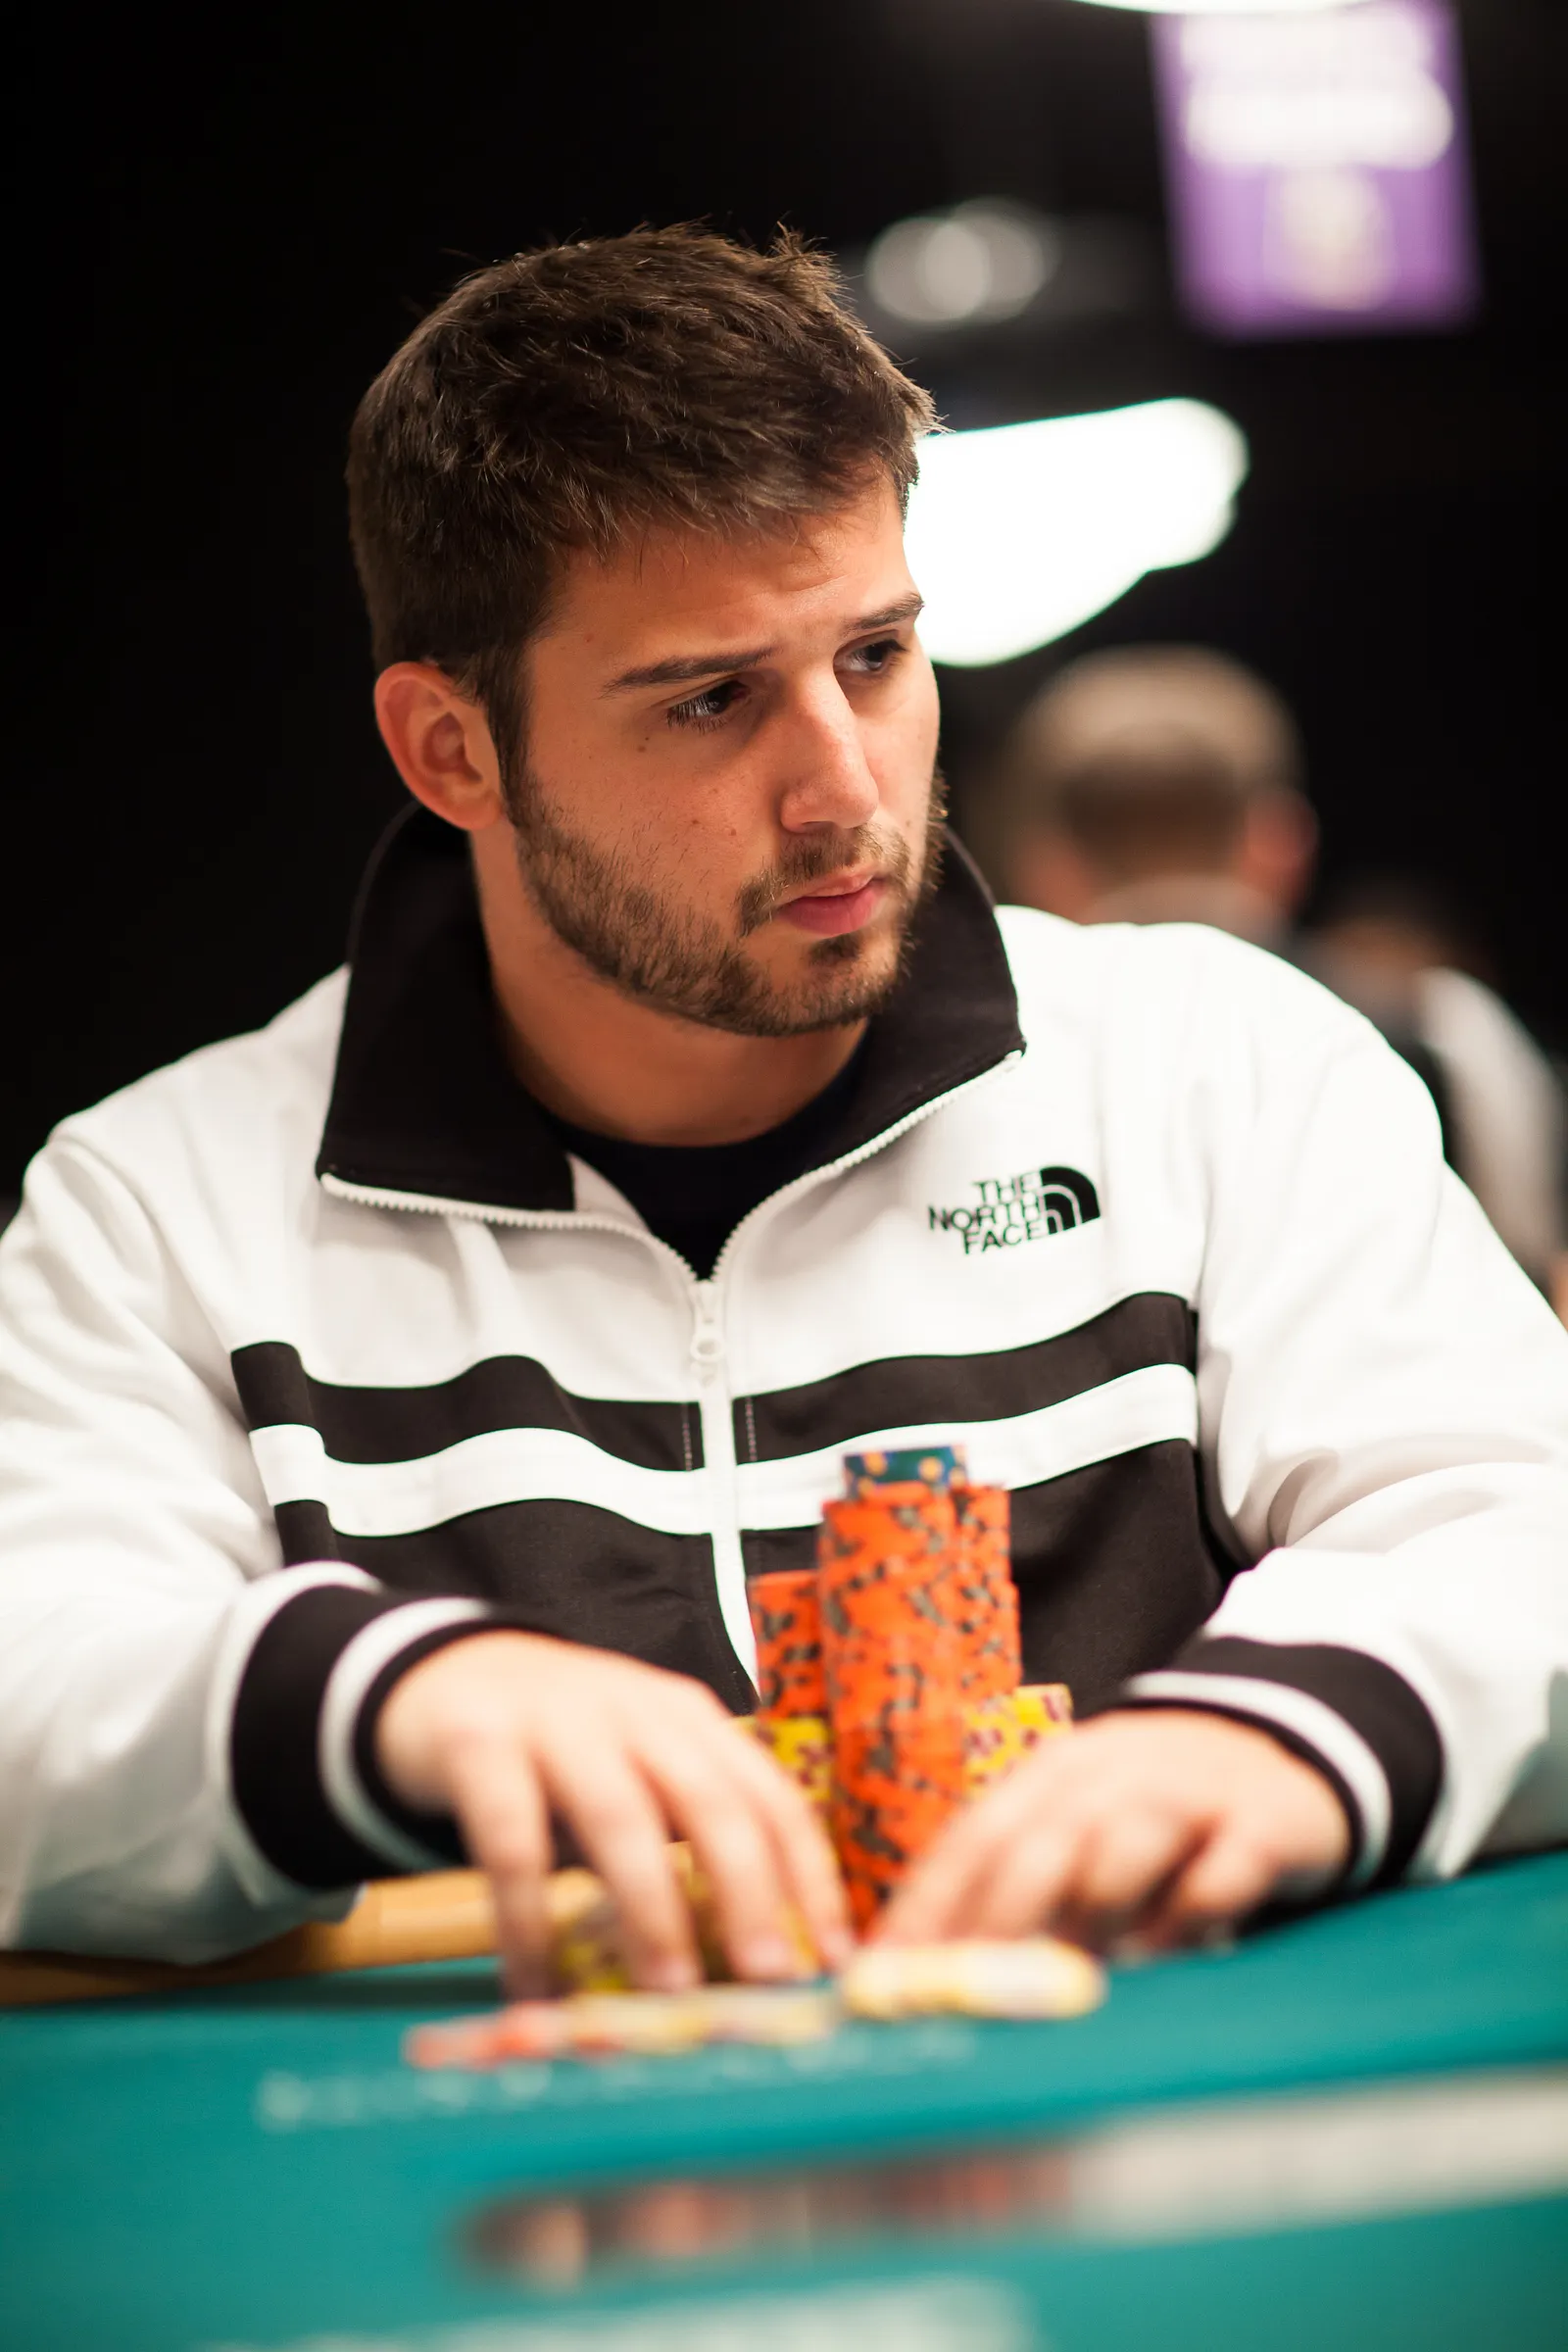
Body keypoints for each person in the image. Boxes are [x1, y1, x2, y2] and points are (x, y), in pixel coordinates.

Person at [1, 232, 1565, 1995]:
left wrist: (1278, 1736)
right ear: (454, 751)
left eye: (876, 655)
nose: (841, 786)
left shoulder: (1219, 1065)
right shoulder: (162, 1206)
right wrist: (387, 1698)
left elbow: (1518, 1524)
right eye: (712, 696)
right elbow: (28, 1703)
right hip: (507, 2155)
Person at [986, 646, 1568, 1298]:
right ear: (1281, 846)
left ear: (1046, 870)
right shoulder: (1445, 1031)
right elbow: (1540, 1296)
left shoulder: (976, 1066)